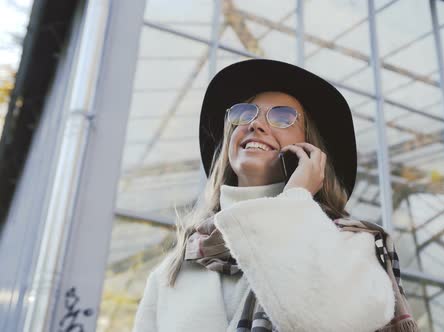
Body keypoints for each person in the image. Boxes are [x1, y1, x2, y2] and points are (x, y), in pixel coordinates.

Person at [132, 59, 417, 332]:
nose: (255, 124)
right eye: (245, 113)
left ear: (309, 149)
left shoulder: (352, 244)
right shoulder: (173, 272)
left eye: (282, 117)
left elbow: (331, 322)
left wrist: (295, 199)